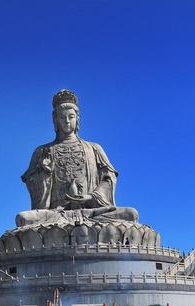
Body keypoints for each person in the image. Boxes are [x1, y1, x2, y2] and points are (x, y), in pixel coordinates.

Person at [21, 89, 138, 222]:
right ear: (55, 120)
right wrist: (45, 174)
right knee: (24, 218)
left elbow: (109, 179)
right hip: (57, 215)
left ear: (77, 118)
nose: (66, 121)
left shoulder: (94, 148)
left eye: (71, 116)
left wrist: (91, 197)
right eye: (62, 117)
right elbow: (39, 204)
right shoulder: (43, 151)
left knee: (130, 214)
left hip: (91, 211)